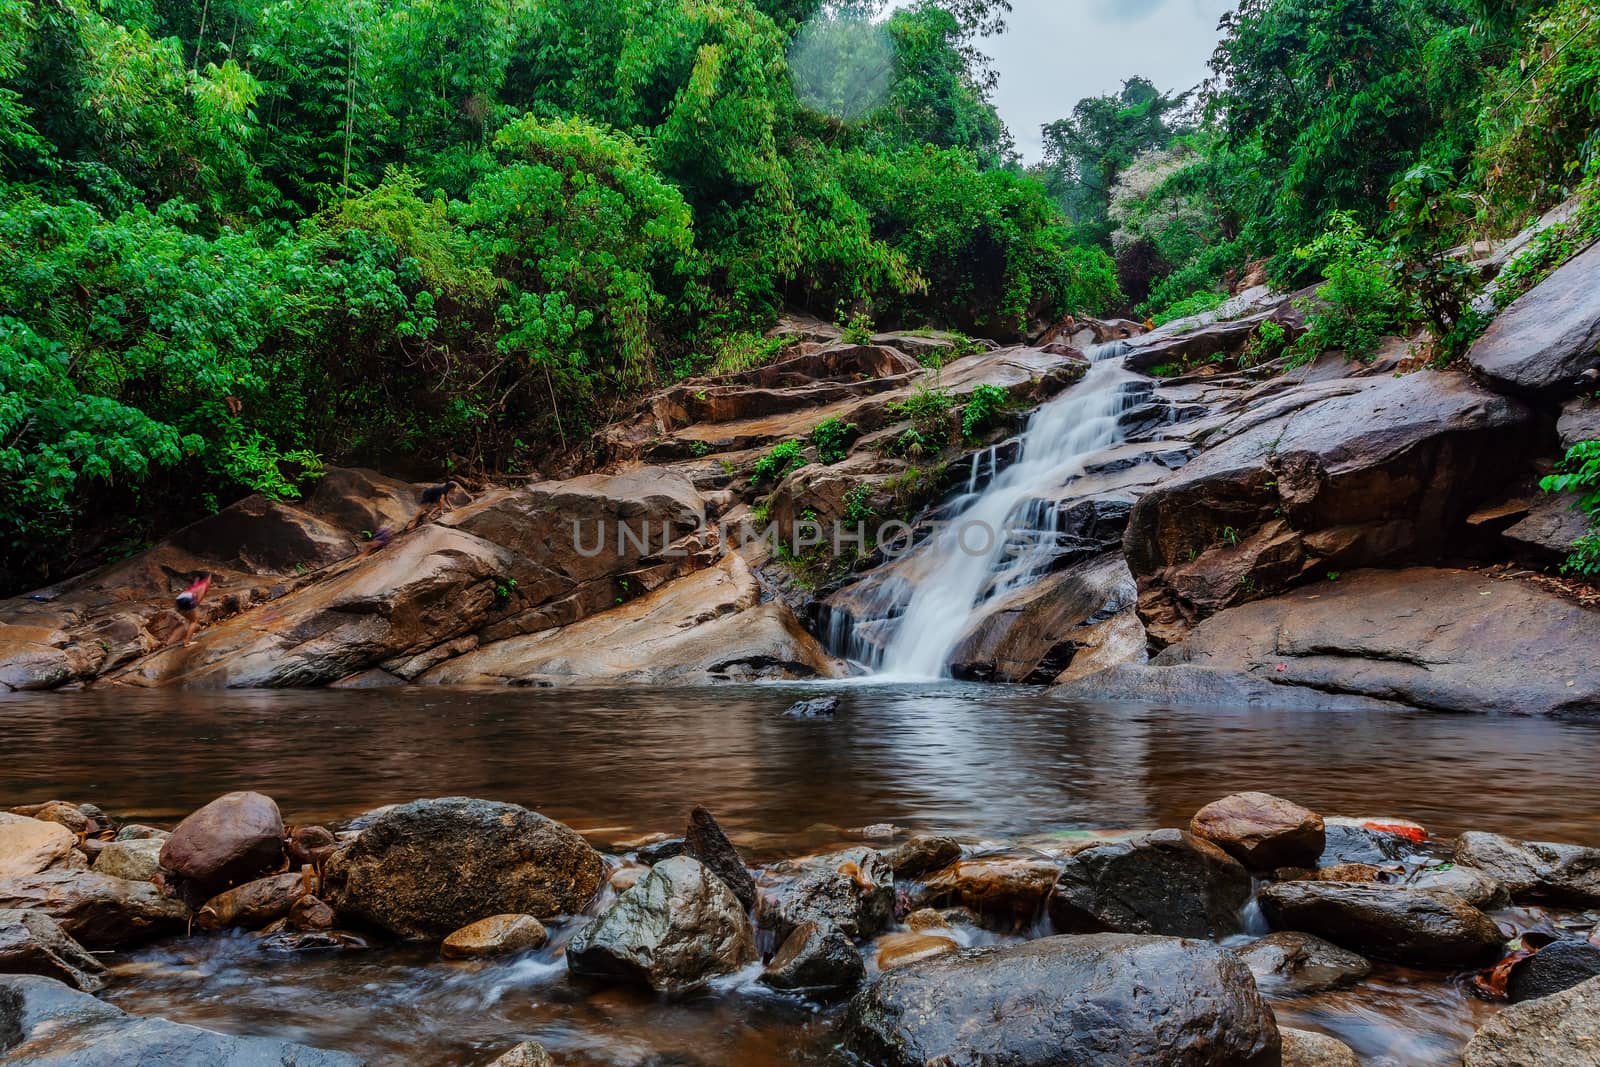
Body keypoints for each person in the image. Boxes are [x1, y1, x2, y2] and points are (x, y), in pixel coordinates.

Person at [174, 572, 212, 646]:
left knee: (190, 620)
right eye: (210, 577)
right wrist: (195, 606)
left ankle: (187, 634)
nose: (211, 579)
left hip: (180, 597)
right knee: (195, 620)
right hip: (188, 598)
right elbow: (199, 597)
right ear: (207, 578)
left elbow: (195, 586)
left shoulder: (198, 582)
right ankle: (187, 642)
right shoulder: (205, 583)